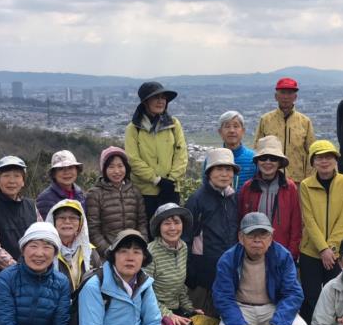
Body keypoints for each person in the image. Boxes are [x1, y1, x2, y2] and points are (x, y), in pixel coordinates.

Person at [298, 140, 343, 324]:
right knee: (311, 296)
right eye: (319, 158)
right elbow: (309, 220)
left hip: (337, 252)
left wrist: (331, 249)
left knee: (336, 297)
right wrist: (323, 249)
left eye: (329, 157)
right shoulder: (306, 185)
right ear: (312, 162)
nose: (324, 161)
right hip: (311, 251)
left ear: (336, 160)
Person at [145, 203, 201, 325]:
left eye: (176, 222)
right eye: (167, 223)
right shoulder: (149, 252)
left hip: (175, 308)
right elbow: (145, 293)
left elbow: (180, 286)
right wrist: (168, 315)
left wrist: (189, 309)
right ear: (158, 227)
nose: (172, 228)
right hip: (153, 310)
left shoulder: (183, 247)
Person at [183, 148, 240, 317]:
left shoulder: (233, 198)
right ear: (209, 173)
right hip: (202, 274)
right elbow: (186, 238)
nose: (224, 174)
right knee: (199, 319)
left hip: (227, 272)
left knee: (221, 319)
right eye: (219, 169)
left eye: (228, 169)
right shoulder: (197, 200)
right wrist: (190, 273)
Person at [124, 81, 188, 223]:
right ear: (145, 102)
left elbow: (181, 154)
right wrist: (156, 180)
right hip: (145, 191)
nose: (161, 101)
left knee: (170, 229)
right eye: (156, 97)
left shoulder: (174, 124)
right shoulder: (133, 128)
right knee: (147, 229)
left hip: (171, 189)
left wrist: (171, 180)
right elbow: (133, 160)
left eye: (163, 98)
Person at [0, 156, 41, 291]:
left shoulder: (31, 206)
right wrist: (20, 269)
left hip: (35, 277)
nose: (12, 181)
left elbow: (43, 237)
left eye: (17, 176)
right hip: (3, 281)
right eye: (6, 176)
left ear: (23, 181)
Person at [238, 136, 302, 260]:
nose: (268, 162)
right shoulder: (247, 188)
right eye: (263, 158)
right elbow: (241, 221)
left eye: (273, 158)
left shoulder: (289, 188)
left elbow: (296, 225)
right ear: (257, 161)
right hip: (252, 252)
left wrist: (291, 254)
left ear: (279, 162)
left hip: (281, 253)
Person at [86, 146, 148, 258]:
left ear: (126, 167)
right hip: (107, 255)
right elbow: (93, 230)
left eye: (120, 166)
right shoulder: (95, 194)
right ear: (104, 169)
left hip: (133, 251)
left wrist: (140, 247)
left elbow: (142, 223)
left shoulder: (135, 191)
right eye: (111, 167)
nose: (117, 171)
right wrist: (110, 252)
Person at [253, 77, 316, 183]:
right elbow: (257, 149)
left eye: (290, 93)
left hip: (298, 180)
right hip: (270, 178)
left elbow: (312, 152)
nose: (286, 97)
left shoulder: (305, 121)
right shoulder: (266, 120)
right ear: (276, 96)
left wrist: (309, 180)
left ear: (295, 97)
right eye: (282, 92)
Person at [45, 199, 101, 293]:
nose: (67, 221)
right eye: (62, 217)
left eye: (73, 218)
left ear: (80, 223)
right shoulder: (45, 251)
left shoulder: (89, 251)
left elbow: (100, 280)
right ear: (54, 222)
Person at [201, 111, 256, 189]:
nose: (232, 130)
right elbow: (206, 188)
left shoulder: (254, 159)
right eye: (227, 126)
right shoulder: (212, 159)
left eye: (236, 126)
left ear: (243, 131)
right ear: (220, 132)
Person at [36, 150, 86, 219]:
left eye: (70, 167)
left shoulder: (81, 195)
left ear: (77, 170)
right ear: (54, 174)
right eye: (61, 169)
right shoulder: (45, 199)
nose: (67, 172)